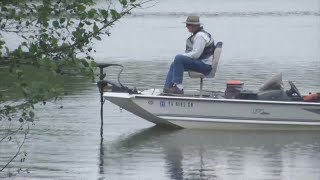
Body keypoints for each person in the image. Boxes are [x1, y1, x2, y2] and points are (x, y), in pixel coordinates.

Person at [163, 15, 215, 94]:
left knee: (179, 58)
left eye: (188, 25)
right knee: (174, 63)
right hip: (201, 63)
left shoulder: (200, 36)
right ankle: (167, 89)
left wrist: (182, 56)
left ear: (194, 26)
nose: (186, 26)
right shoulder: (198, 34)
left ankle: (179, 88)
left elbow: (196, 54)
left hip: (205, 66)